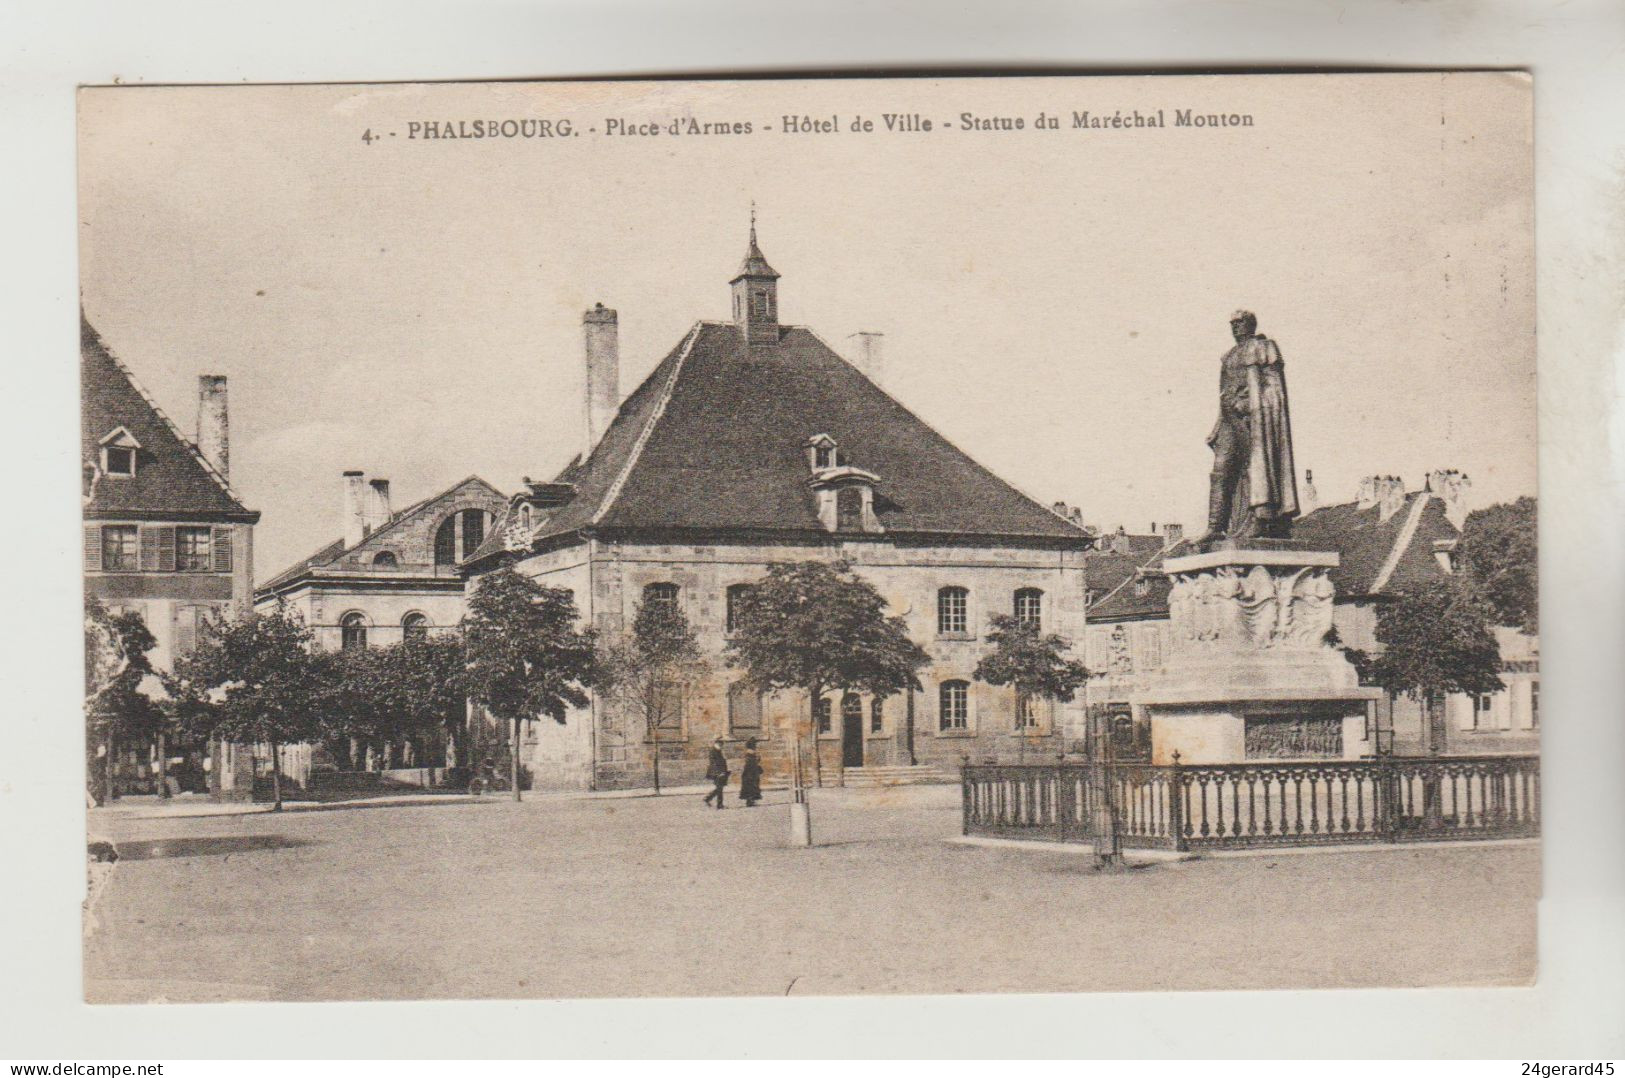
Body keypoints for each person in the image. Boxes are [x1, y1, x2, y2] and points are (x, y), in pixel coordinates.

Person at [1200, 310, 1299, 544]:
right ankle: (1216, 526)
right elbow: (1224, 393)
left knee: (1256, 467)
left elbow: (1273, 388)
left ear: (1251, 324)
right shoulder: (1230, 356)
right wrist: (1218, 424)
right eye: (1232, 323)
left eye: (1240, 322)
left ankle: (1262, 517)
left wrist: (1250, 404)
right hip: (1228, 419)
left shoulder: (1264, 348)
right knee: (1221, 470)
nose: (1235, 327)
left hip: (1254, 419)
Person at [702, 737, 730, 809]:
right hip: (717, 773)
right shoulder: (713, 751)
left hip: (720, 772)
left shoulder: (718, 750)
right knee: (719, 788)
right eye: (721, 744)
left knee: (719, 788)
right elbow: (714, 763)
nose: (722, 746)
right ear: (717, 743)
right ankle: (719, 805)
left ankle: (708, 799)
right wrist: (720, 772)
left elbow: (721, 761)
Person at [738, 737, 763, 807]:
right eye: (755, 744)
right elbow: (750, 764)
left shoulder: (750, 753)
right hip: (750, 773)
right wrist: (757, 760)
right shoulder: (750, 754)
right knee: (751, 787)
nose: (756, 746)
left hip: (750, 773)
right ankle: (750, 801)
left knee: (750, 787)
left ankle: (750, 801)